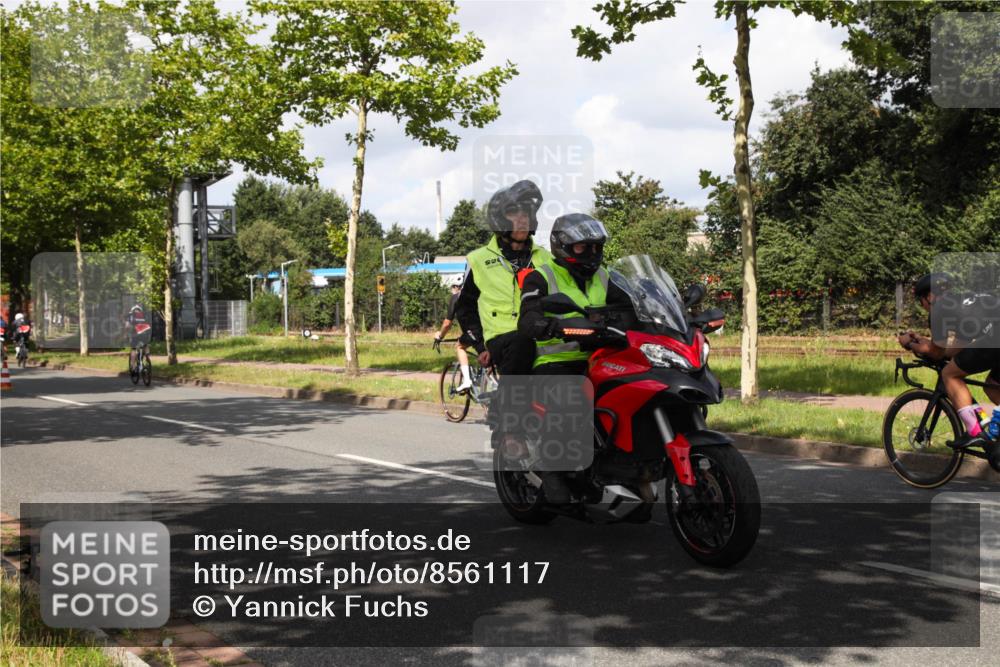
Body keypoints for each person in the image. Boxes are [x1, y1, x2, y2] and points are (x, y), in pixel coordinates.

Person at [517, 213, 634, 502]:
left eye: (596, 247)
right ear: (562, 246)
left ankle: (627, 463)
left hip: (602, 357)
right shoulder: (540, 276)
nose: (591, 254)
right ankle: (554, 469)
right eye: (583, 247)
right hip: (557, 363)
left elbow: (632, 308)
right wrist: (549, 325)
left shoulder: (606, 276)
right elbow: (527, 318)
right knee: (571, 397)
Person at [897, 272, 1000, 469]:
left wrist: (909, 343)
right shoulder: (963, 303)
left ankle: (975, 432)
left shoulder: (939, 309)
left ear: (930, 296)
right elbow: (954, 349)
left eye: (922, 301)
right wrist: (925, 343)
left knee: (950, 374)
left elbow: (935, 353)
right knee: (993, 386)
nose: (924, 306)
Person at [454, 180, 554, 376]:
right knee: (521, 343)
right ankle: (506, 405)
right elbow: (466, 308)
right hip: (502, 339)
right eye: (514, 213)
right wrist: (480, 346)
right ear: (499, 219)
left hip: (541, 335)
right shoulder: (479, 260)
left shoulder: (546, 258)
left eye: (526, 213)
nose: (523, 219)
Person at [433, 281, 474, 392]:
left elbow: (447, 323)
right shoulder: (477, 293)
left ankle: (467, 381)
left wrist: (440, 336)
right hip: (489, 329)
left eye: (452, 288)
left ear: (456, 287)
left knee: (460, 347)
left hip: (473, 332)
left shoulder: (456, 297)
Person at [124, 303, 151, 367]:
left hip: (135, 335)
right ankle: (147, 357)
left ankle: (133, 365)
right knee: (145, 345)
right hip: (145, 334)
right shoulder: (144, 315)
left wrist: (125, 334)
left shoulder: (130, 315)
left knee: (133, 349)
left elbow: (127, 326)